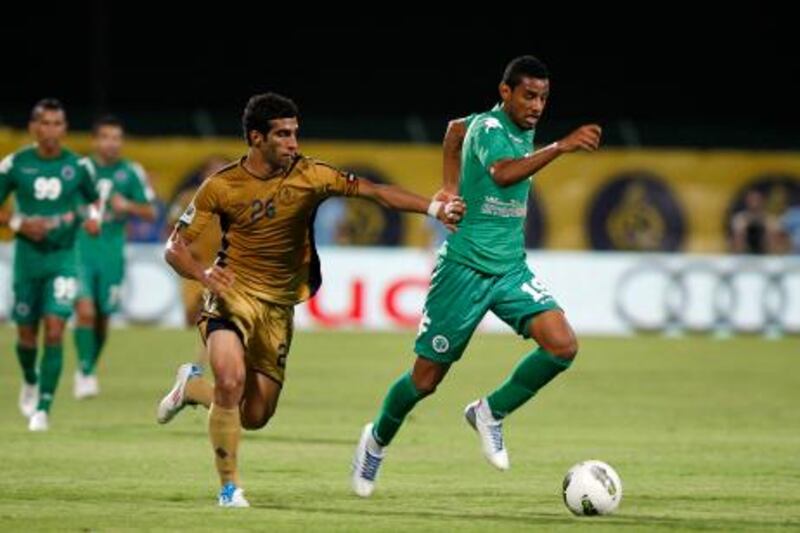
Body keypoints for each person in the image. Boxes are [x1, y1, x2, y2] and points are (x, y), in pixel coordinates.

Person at [154, 92, 465, 507]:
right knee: (230, 381)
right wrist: (204, 275)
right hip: (232, 295)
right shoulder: (221, 186)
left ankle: (192, 389)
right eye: (282, 135)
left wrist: (432, 208)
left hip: (278, 307)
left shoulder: (312, 175)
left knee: (255, 415)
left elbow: (374, 192)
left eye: (295, 133)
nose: (293, 143)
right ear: (256, 137)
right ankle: (229, 489)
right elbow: (175, 247)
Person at [351, 55, 602, 497]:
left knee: (562, 346)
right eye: (528, 96)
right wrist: (560, 147)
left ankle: (490, 412)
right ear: (505, 93)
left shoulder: (507, 125)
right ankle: (375, 441)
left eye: (543, 97)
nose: (537, 106)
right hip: (464, 268)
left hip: (509, 267)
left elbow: (452, 130)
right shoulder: (491, 128)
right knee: (425, 380)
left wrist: (449, 188)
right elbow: (502, 174)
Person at [0, 98, 102, 431]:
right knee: (27, 336)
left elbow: (93, 199)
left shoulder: (78, 165)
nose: (52, 130)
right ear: (33, 127)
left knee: (55, 330)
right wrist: (18, 223)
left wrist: (94, 218)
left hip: (63, 259)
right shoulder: (15, 165)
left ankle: (43, 407)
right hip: (27, 262)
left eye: (58, 124)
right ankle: (30, 378)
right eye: (45, 123)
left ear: (65, 128)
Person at [72, 115, 157, 398]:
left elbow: (150, 211)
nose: (112, 143)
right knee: (85, 311)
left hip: (112, 255)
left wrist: (128, 206)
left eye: (117, 138)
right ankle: (85, 371)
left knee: (103, 319)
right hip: (81, 251)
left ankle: (88, 366)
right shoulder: (80, 169)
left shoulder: (130, 171)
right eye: (106, 137)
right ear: (95, 140)